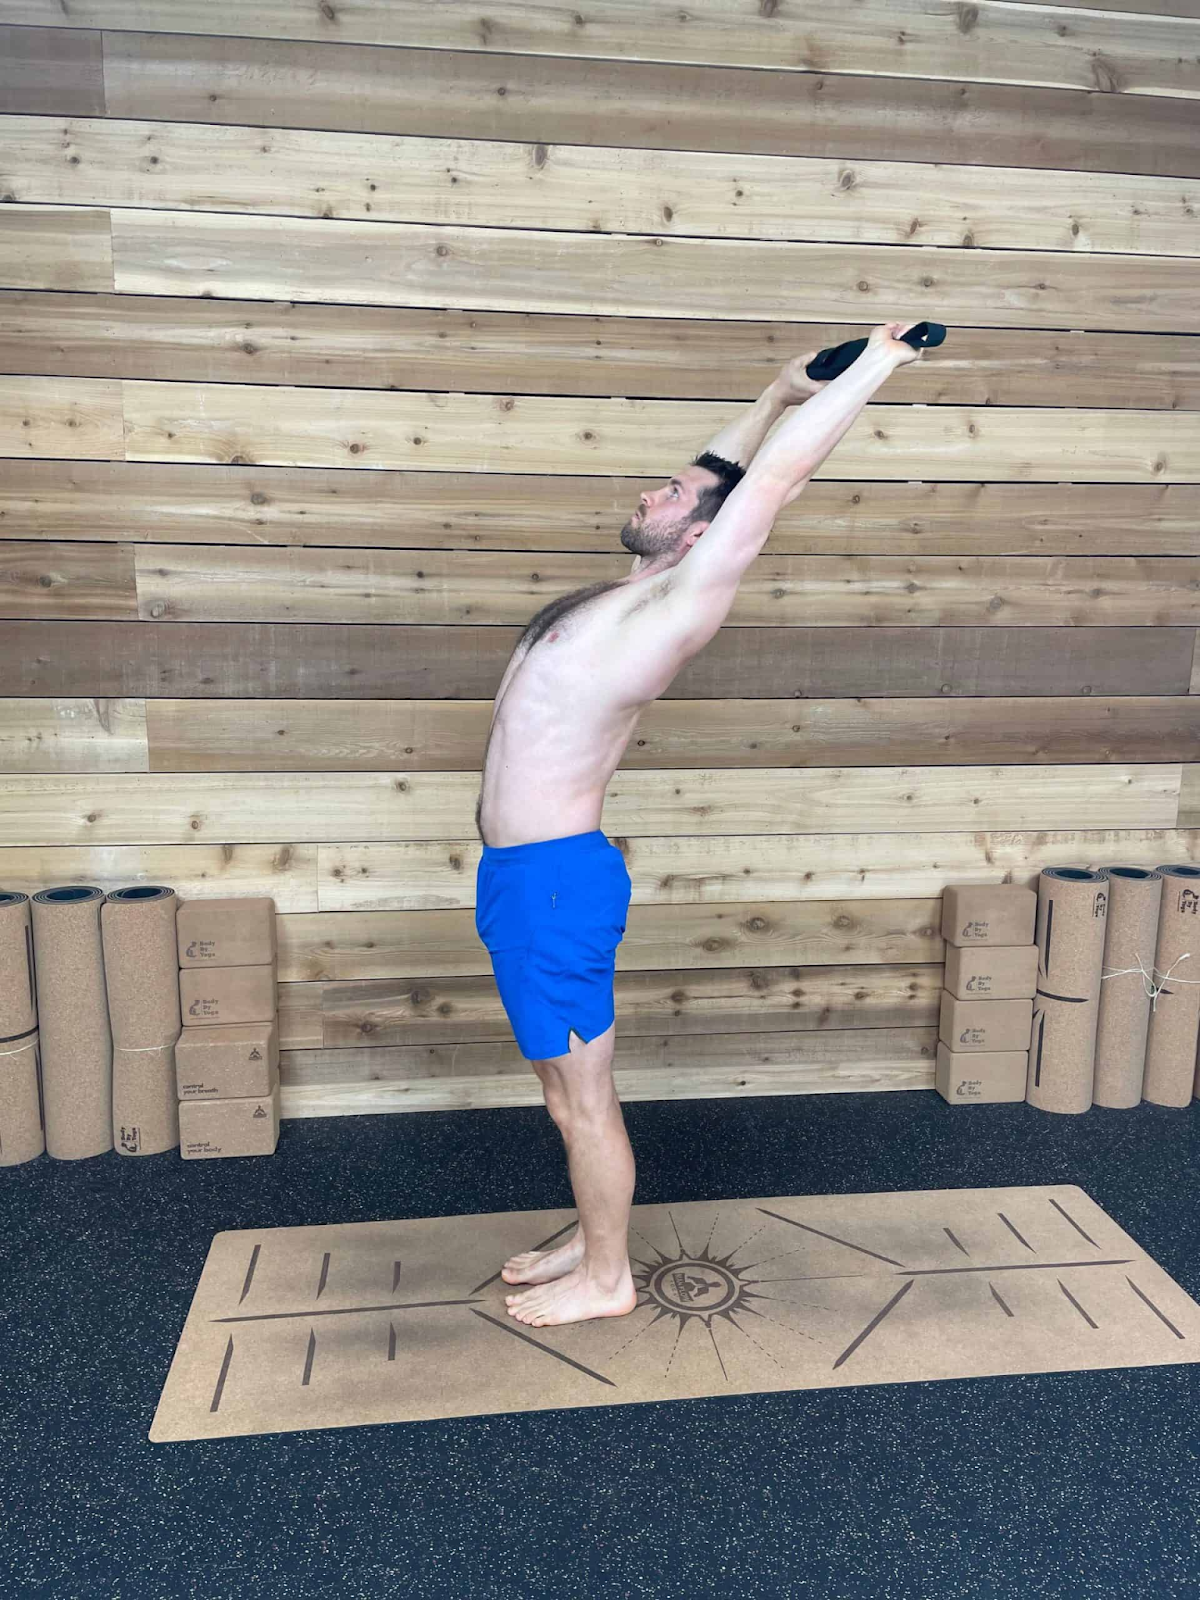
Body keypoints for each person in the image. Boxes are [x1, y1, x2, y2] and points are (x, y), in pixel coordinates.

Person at [474, 322, 927, 1328]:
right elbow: (728, 472)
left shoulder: (674, 607)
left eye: (670, 496)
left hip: (556, 887)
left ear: (695, 540)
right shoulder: (612, 597)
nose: (651, 494)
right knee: (560, 1094)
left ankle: (608, 1277)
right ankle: (590, 1234)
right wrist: (772, 393)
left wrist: (878, 363)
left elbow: (766, 484)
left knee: (583, 1100)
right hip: (516, 883)